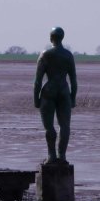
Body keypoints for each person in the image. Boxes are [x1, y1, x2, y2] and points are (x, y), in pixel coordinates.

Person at [34, 27, 78, 164]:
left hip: (49, 92)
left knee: (49, 127)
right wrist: (73, 97)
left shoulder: (45, 54)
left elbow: (38, 81)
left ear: (51, 37)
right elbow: (74, 80)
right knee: (65, 126)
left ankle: (52, 156)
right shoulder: (68, 55)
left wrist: (36, 98)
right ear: (62, 38)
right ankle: (62, 156)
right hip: (64, 91)